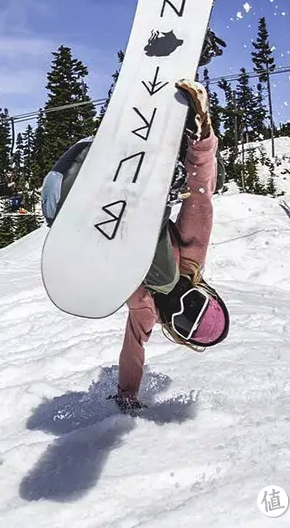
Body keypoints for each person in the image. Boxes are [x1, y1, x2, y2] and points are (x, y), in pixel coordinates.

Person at [41, 75, 229, 413]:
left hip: (62, 202)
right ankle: (151, 192)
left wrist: (128, 395)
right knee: (164, 277)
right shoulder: (190, 257)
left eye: (185, 320)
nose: (181, 307)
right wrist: (203, 136)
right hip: (89, 160)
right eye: (196, 302)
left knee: (148, 277)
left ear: (175, 331)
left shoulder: (147, 312)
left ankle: (134, 208)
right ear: (206, 290)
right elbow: (201, 196)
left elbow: (133, 352)